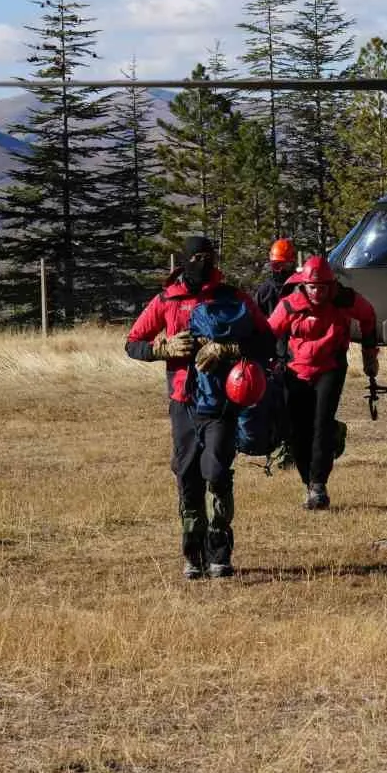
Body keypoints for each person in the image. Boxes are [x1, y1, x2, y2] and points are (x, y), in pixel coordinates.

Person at [125, 235, 275, 580]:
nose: (203, 264)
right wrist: (163, 350)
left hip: (223, 401)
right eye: (198, 258)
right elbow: (133, 343)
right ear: (185, 261)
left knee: (218, 473)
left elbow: (266, 339)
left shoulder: (233, 297)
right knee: (187, 476)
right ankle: (193, 554)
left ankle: (220, 550)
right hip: (183, 402)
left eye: (209, 258)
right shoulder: (167, 300)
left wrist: (230, 348)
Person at [268, 255, 378, 510]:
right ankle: (309, 482)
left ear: (331, 285)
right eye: (312, 287)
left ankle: (318, 485)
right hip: (296, 371)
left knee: (321, 424)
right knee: (297, 431)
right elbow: (267, 331)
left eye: (322, 287)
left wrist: (369, 354)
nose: (317, 292)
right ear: (304, 285)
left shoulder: (344, 299)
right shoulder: (290, 305)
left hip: (331, 368)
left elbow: (368, 315)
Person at [253, 237, 298, 315]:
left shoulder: (302, 288)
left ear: (293, 264)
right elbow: (255, 319)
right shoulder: (265, 291)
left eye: (286, 266)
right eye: (277, 265)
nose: (281, 270)